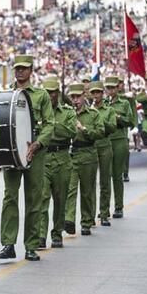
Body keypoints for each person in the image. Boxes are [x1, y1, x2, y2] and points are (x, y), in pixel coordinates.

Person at [0, 55, 54, 262]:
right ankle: (8, 244)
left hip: (35, 152)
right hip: (12, 150)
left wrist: (38, 144)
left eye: (24, 68)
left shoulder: (41, 95)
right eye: (17, 68)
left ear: (31, 70)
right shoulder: (7, 95)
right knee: (10, 197)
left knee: (34, 199)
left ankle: (31, 245)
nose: (20, 72)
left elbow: (49, 124)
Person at [37, 78, 76, 249]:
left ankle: (57, 232)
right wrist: (53, 129)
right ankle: (40, 235)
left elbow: (71, 131)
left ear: (58, 93)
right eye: (47, 91)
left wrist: (50, 126)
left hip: (62, 157)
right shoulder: (37, 112)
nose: (50, 95)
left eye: (53, 92)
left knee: (60, 199)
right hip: (43, 157)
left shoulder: (68, 112)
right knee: (42, 198)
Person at [63, 83, 105, 237]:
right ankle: (69, 220)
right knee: (70, 189)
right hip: (72, 154)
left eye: (78, 97)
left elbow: (100, 133)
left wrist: (84, 130)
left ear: (83, 96)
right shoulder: (67, 113)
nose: (75, 100)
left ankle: (87, 221)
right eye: (72, 97)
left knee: (87, 191)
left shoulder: (93, 114)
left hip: (88, 154)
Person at [105, 76, 135, 219]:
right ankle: (104, 209)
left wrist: (118, 118)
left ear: (118, 88)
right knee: (105, 176)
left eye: (112, 88)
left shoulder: (124, 104)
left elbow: (130, 121)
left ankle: (118, 207)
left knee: (117, 175)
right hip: (104, 140)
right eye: (108, 88)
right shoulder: (102, 103)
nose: (110, 91)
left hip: (119, 140)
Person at [89, 81, 117, 227]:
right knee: (90, 183)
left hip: (105, 145)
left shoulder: (109, 110)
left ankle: (104, 213)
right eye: (93, 93)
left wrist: (99, 120)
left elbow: (113, 127)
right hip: (92, 146)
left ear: (102, 93)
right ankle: (90, 215)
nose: (96, 95)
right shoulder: (88, 110)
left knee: (105, 181)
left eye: (98, 92)